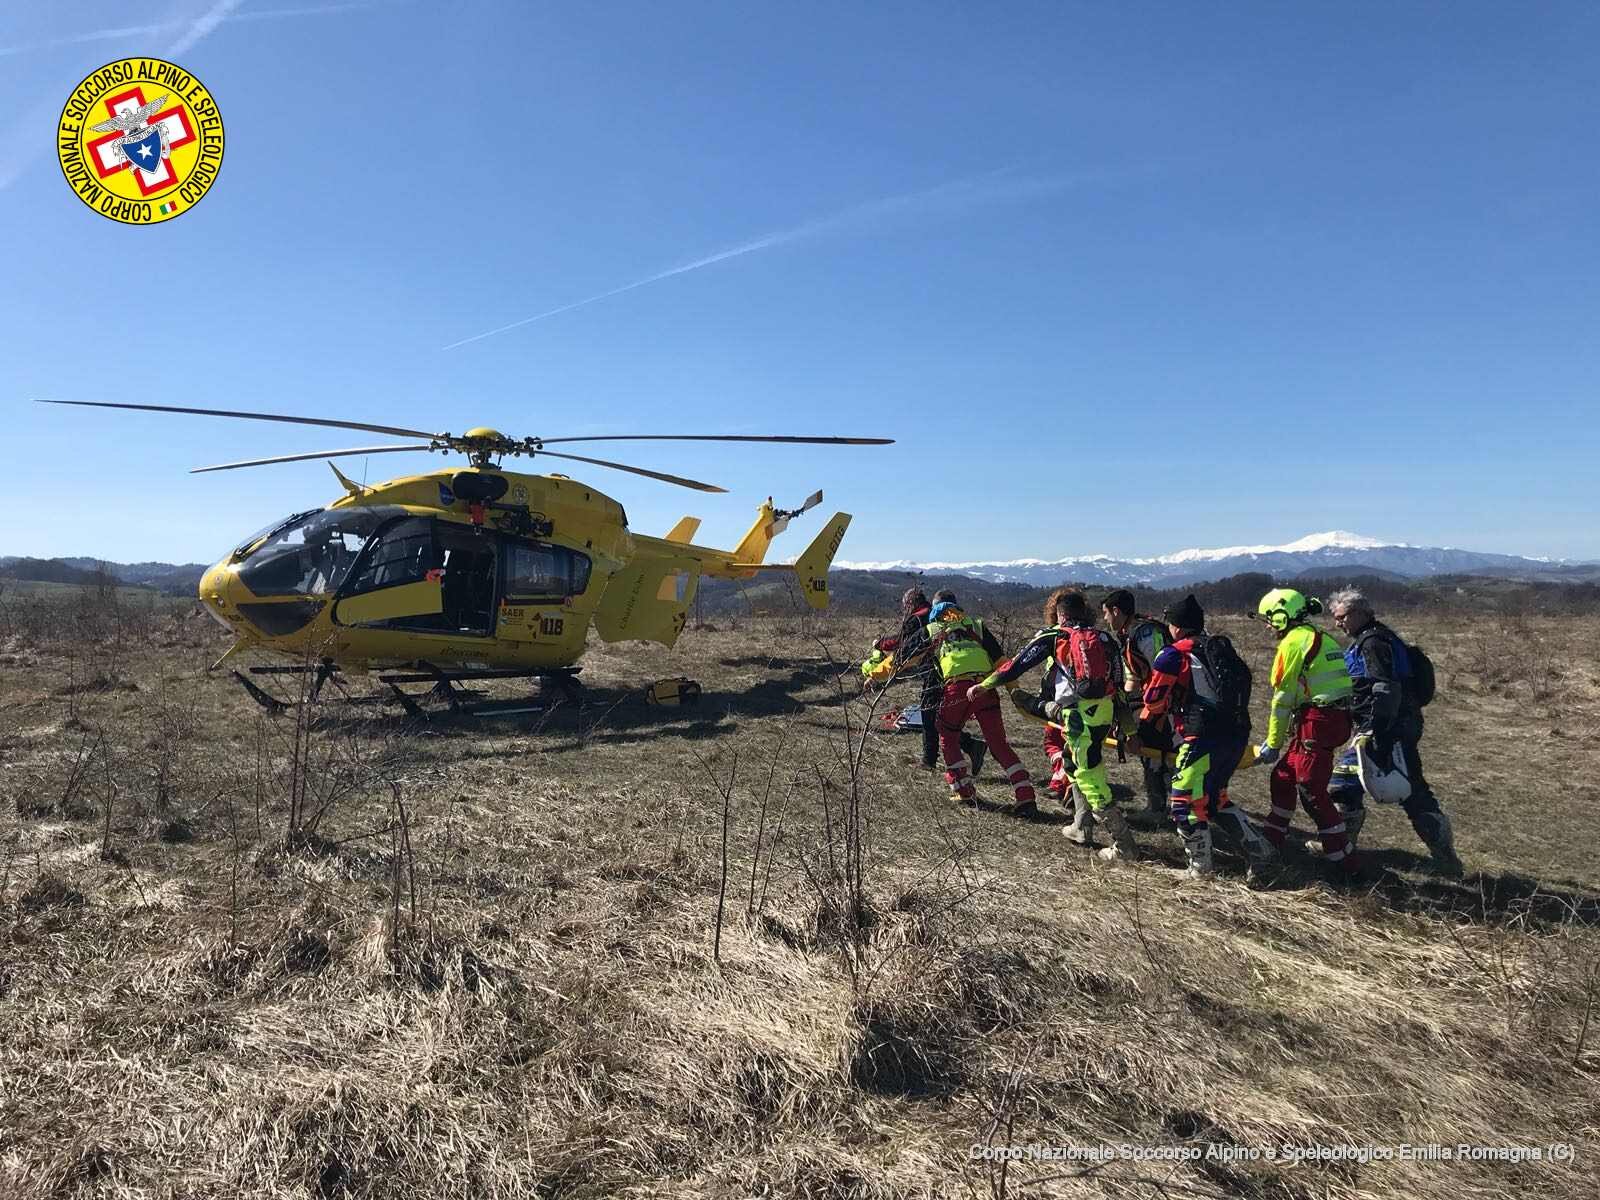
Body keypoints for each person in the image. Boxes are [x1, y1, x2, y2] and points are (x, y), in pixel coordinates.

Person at [969, 589, 1133, 856]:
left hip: (1077, 716)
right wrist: (1128, 728)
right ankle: (1081, 824)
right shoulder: (1105, 639)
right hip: (1104, 713)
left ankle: (1125, 845)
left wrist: (985, 685)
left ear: (1060, 614)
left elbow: (1015, 665)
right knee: (1072, 761)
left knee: (1088, 777)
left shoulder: (1055, 635)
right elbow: (1119, 684)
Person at [1138, 593, 1277, 879]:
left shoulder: (1174, 654)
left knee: (1184, 803)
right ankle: (1262, 851)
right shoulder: (1218, 648)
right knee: (1215, 799)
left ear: (1175, 626)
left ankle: (1200, 869)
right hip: (1236, 734)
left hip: (1201, 737)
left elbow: (1153, 701)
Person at [1327, 587, 1464, 876]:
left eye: (1341, 617)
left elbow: (1383, 688)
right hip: (1396, 724)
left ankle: (1341, 852)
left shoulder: (1373, 643)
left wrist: (1375, 729)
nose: (1337, 623)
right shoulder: (1378, 638)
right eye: (1335, 618)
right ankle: (1445, 859)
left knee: (1345, 786)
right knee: (1409, 790)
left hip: (1385, 727)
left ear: (1361, 613)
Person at [1253, 588, 1359, 875]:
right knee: (1283, 776)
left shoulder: (1292, 644)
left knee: (1311, 789)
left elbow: (1283, 698)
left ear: (1280, 616)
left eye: (1268, 619)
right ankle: (1272, 838)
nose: (1266, 625)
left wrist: (1272, 743)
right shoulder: (1318, 636)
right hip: (1327, 719)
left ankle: (1343, 860)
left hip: (1318, 721)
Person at [899, 592, 1035, 810]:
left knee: (947, 736)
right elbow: (1002, 662)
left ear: (935, 609)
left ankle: (963, 790)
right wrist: (1014, 691)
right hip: (985, 688)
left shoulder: (932, 629)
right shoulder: (977, 625)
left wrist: (873, 674)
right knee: (999, 744)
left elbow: (901, 659)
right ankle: (1025, 794)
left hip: (956, 689)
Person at [873, 588, 987, 779]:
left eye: (905, 605)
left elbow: (903, 642)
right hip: (952, 670)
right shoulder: (944, 615)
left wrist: (880, 647)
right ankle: (969, 746)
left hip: (933, 670)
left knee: (929, 715)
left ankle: (931, 760)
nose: (905, 609)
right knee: (940, 716)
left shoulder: (917, 618)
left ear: (910, 603)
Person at [1101, 589, 1172, 817]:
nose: (1104, 619)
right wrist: (1122, 711)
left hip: (1167, 704)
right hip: (1153, 700)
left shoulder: (1145, 634)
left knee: (1149, 744)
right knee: (1141, 742)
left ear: (1116, 611)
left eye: (1106, 613)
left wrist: (1147, 716)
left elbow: (1163, 675)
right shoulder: (1130, 634)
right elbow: (1134, 677)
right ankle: (1158, 803)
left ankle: (1161, 805)